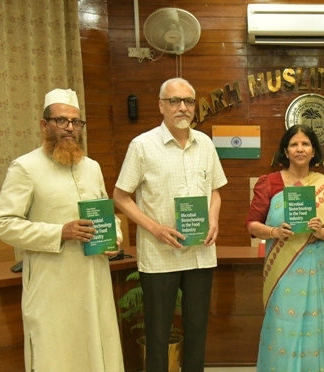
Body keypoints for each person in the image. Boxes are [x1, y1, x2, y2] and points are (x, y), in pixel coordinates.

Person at [0, 88, 125, 372]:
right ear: (45, 125)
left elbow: (107, 213)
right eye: (61, 121)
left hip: (94, 280)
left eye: (76, 122)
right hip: (52, 284)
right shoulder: (25, 168)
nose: (70, 128)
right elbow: (4, 224)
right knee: (57, 354)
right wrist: (59, 233)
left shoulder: (91, 167)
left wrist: (114, 236)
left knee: (97, 351)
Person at [113, 77, 227, 372]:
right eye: (175, 101)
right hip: (160, 256)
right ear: (161, 106)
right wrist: (155, 228)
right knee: (158, 332)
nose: (182, 108)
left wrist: (213, 218)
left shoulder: (205, 144)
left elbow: (215, 190)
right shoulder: (142, 145)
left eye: (188, 101)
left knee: (197, 330)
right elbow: (121, 196)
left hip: (200, 253)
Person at [245, 124, 324, 371]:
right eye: (294, 144)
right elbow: (252, 224)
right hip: (283, 271)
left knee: (317, 324)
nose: (300, 149)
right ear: (285, 151)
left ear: (314, 150)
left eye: (305, 144)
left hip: (319, 266)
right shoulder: (269, 183)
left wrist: (321, 232)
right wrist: (274, 232)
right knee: (283, 326)